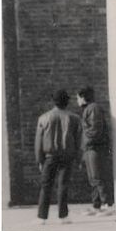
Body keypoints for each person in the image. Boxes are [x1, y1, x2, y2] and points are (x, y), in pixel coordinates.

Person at [34, 90, 82, 224]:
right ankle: (63, 216)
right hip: (68, 156)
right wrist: (78, 158)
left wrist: (39, 160)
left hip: (50, 156)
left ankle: (42, 217)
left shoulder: (44, 118)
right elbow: (79, 141)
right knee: (63, 185)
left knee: (46, 186)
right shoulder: (75, 118)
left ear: (53, 101)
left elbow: (39, 142)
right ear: (67, 101)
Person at [76, 86, 114, 214]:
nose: (77, 101)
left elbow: (95, 130)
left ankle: (108, 205)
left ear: (83, 97)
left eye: (78, 98)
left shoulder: (93, 109)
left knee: (98, 177)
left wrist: (86, 139)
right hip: (90, 148)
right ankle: (96, 205)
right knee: (93, 178)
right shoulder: (89, 109)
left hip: (94, 148)